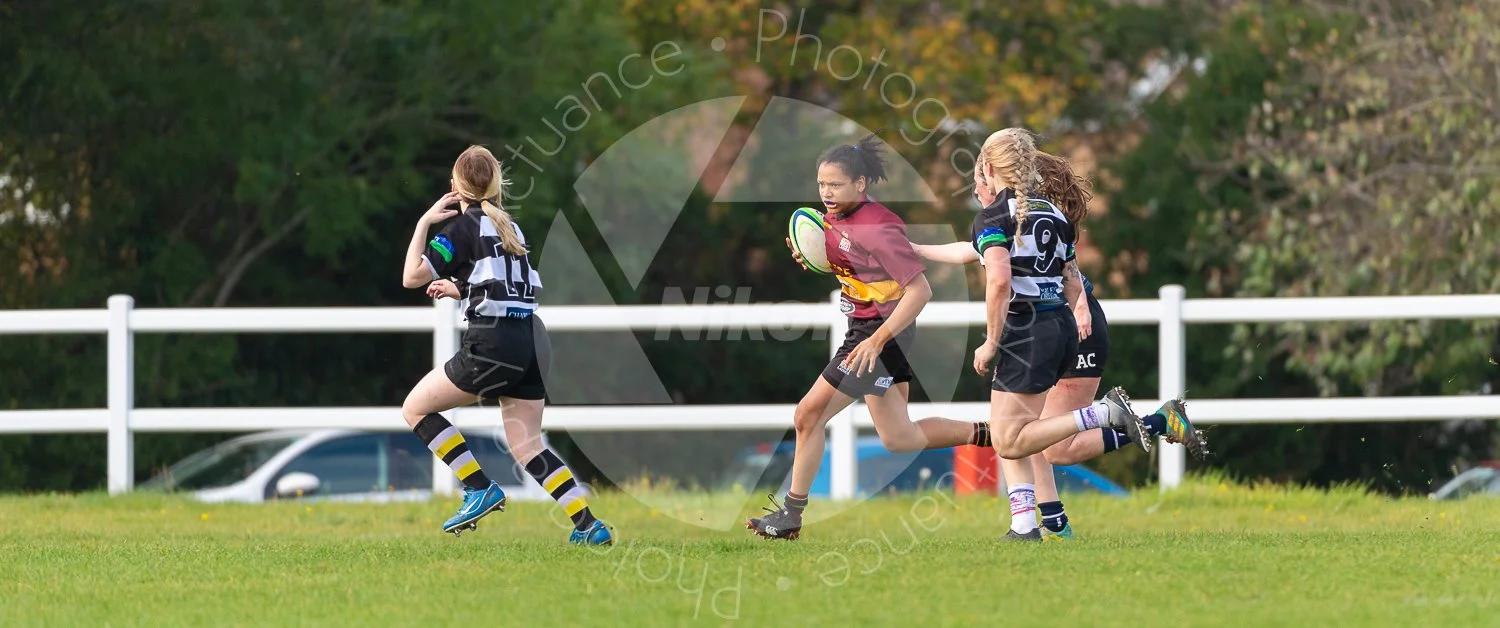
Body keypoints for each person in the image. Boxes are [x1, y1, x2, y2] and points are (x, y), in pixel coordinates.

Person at [914, 147, 1208, 540]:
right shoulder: (1033, 218)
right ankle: (1049, 523)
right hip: (1058, 327)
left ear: (991, 174)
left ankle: (1151, 421)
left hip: (1063, 329)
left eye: (977, 183)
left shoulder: (1011, 218)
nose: (976, 192)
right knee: (1028, 433)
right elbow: (970, 252)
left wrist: (999, 337)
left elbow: (1048, 282)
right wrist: (913, 249)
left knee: (1052, 445)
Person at [745, 133, 992, 541]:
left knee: (807, 416)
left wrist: (877, 340)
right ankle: (996, 433)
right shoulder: (834, 217)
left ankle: (791, 514)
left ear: (860, 184)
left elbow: (920, 291)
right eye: (822, 184)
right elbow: (851, 261)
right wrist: (817, 259)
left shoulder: (879, 228)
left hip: (877, 336)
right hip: (871, 333)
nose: (826, 192)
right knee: (899, 437)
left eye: (836, 185)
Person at [399, 145, 613, 545]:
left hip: (494, 343)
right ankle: (588, 526)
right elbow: (503, 283)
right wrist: (461, 287)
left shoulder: (459, 230)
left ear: (453, 187)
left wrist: (424, 222)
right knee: (529, 444)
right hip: (531, 338)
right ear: (497, 187)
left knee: (415, 409)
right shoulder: (509, 226)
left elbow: (412, 276)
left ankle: (478, 487)